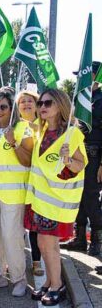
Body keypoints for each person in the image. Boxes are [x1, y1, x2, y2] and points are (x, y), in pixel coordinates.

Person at [26, 89, 87, 306]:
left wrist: (68, 159)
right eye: (40, 103)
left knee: (47, 244)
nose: (42, 106)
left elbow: (80, 166)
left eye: (48, 103)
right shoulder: (41, 133)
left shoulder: (72, 134)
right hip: (40, 201)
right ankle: (51, 281)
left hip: (57, 200)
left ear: (60, 105)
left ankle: (56, 286)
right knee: (43, 244)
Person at [0, 90, 34, 297]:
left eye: (3, 106)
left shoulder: (23, 128)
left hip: (13, 190)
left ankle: (19, 278)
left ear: (12, 108)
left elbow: (28, 160)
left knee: (11, 236)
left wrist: (13, 142)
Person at [62, 61, 102, 255]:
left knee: (91, 198)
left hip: (95, 155)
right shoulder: (79, 99)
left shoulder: (101, 99)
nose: (79, 78)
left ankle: (97, 241)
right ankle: (79, 239)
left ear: (94, 75)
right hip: (79, 153)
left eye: (83, 74)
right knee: (78, 195)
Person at [16, 90, 44, 277]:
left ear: (36, 105)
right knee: (17, 226)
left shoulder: (46, 126)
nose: (26, 104)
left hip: (37, 184)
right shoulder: (14, 127)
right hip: (17, 184)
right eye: (22, 102)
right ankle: (16, 260)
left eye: (30, 101)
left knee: (35, 226)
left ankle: (36, 261)